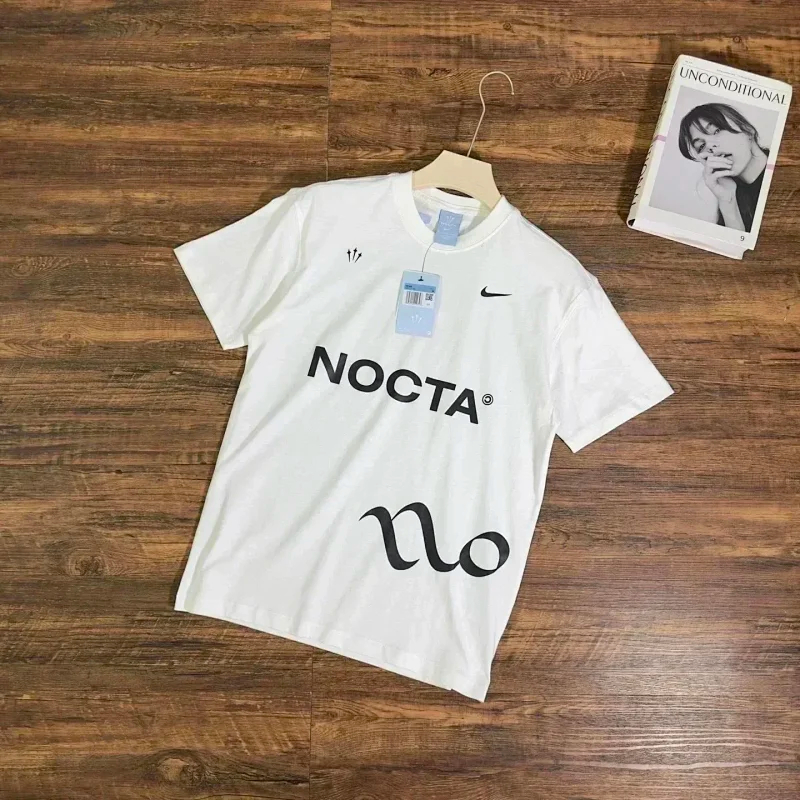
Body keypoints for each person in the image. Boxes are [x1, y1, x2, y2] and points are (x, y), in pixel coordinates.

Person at [677, 102, 769, 233]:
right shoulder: (731, 197)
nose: (710, 146)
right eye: (701, 146)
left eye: (717, 130)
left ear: (747, 129)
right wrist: (728, 202)